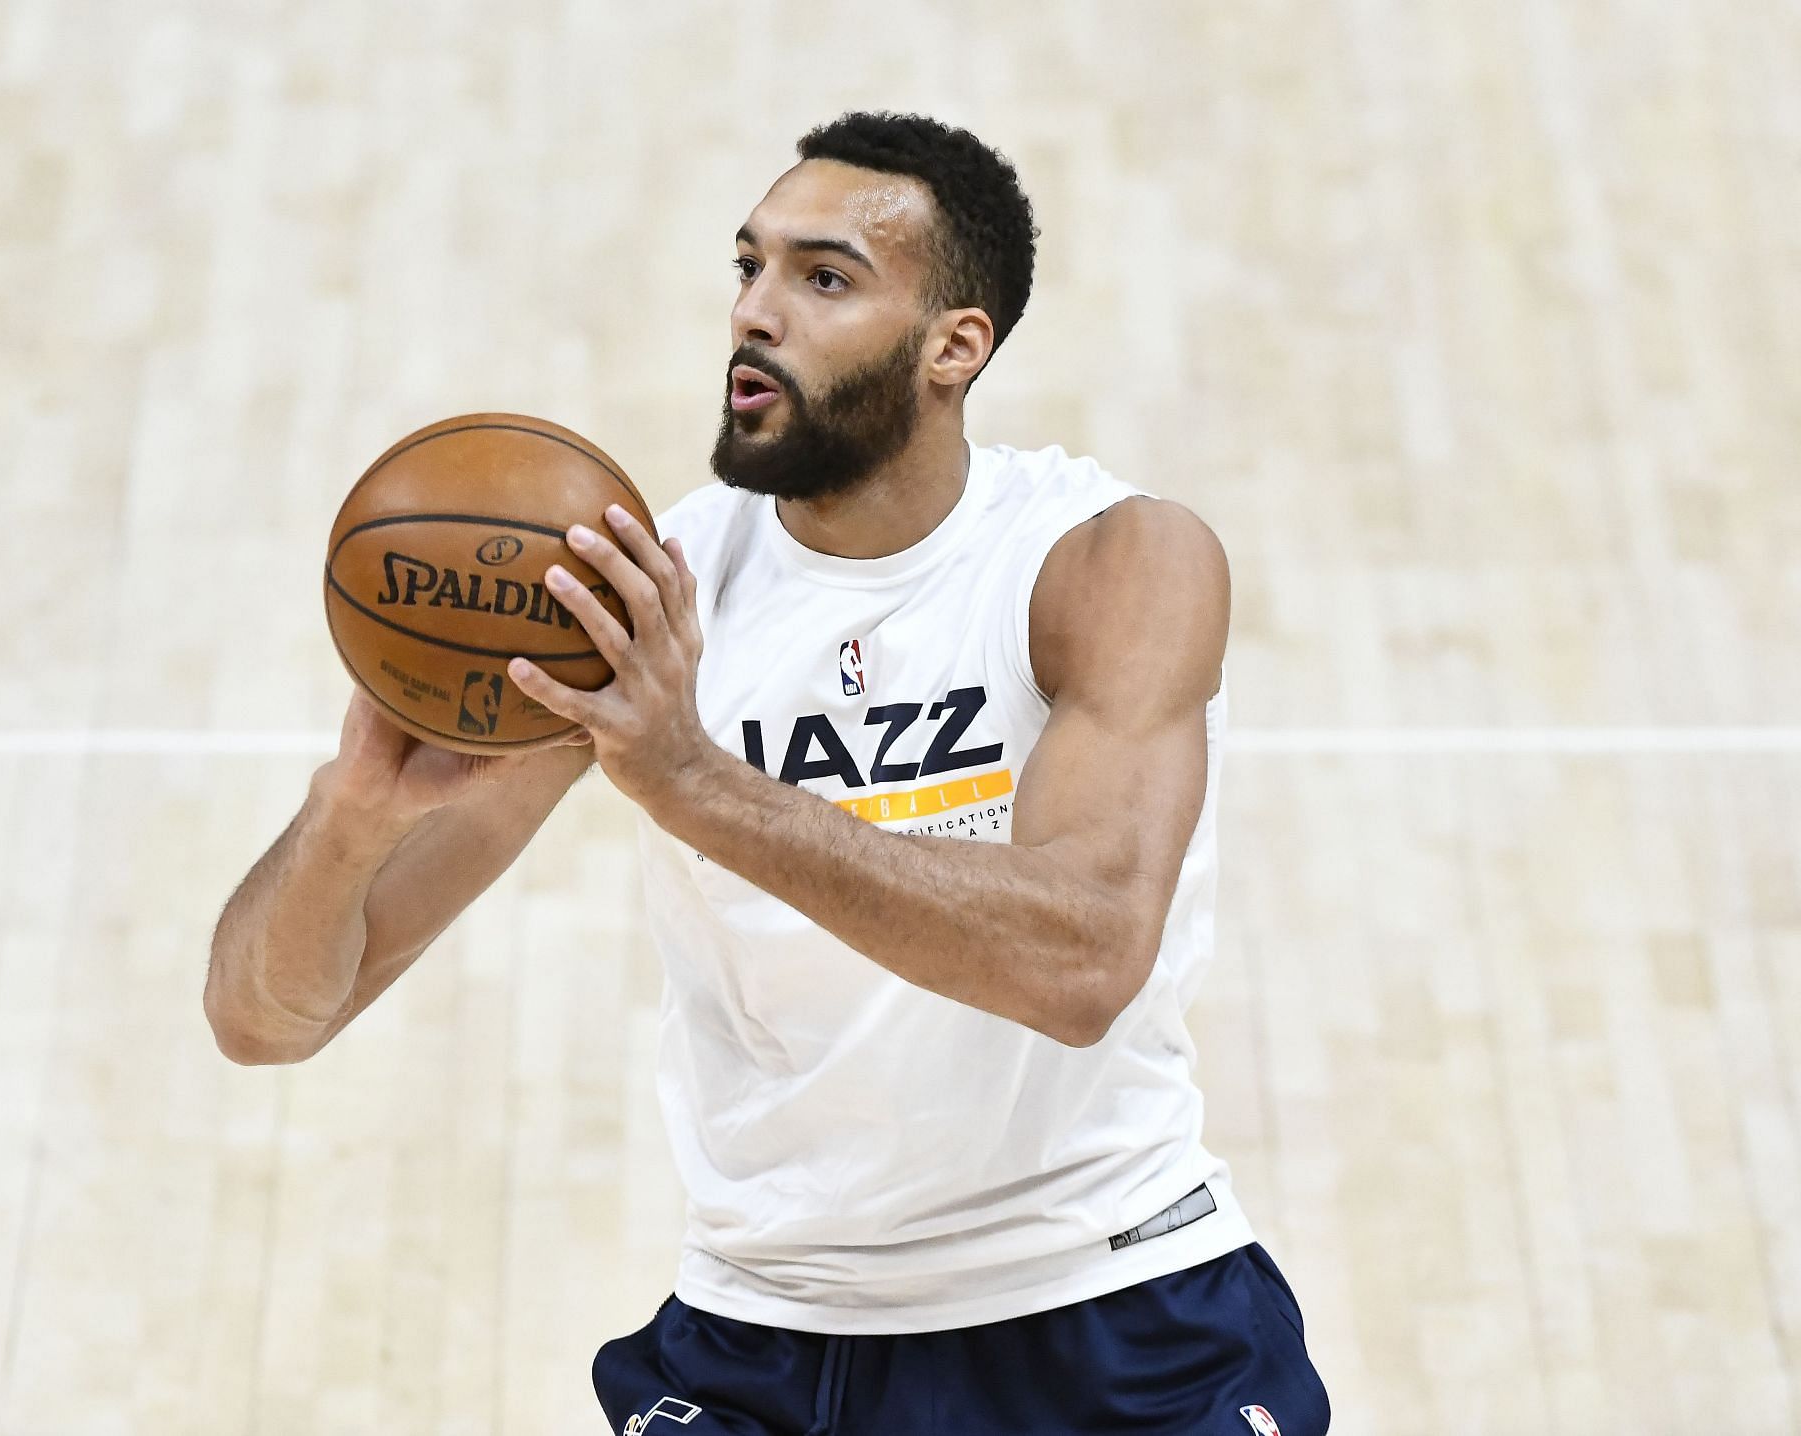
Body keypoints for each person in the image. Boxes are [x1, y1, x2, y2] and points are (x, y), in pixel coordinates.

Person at [207, 110, 1330, 1436]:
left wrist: (696, 782)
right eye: (748, 267)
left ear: (952, 347)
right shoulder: (642, 599)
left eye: (825, 278)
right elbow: (268, 1020)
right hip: (774, 1336)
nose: (757, 311)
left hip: (1114, 1307)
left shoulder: (1107, 562)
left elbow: (1079, 961)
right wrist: (351, 817)